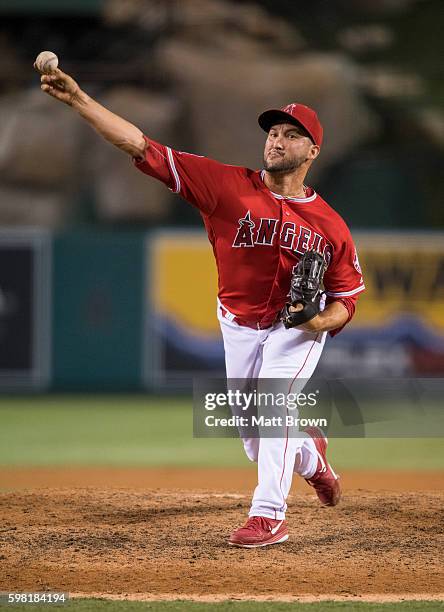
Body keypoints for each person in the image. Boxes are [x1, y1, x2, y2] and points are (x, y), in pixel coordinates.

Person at [36, 66, 365, 548]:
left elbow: (347, 300)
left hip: (295, 328)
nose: (276, 141)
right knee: (253, 438)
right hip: (237, 323)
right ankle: (312, 457)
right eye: (273, 132)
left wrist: (317, 321)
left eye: (291, 135)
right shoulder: (224, 185)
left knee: (274, 404)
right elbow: (141, 146)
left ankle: (270, 515)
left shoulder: (331, 224)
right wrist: (80, 100)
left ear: (312, 151)